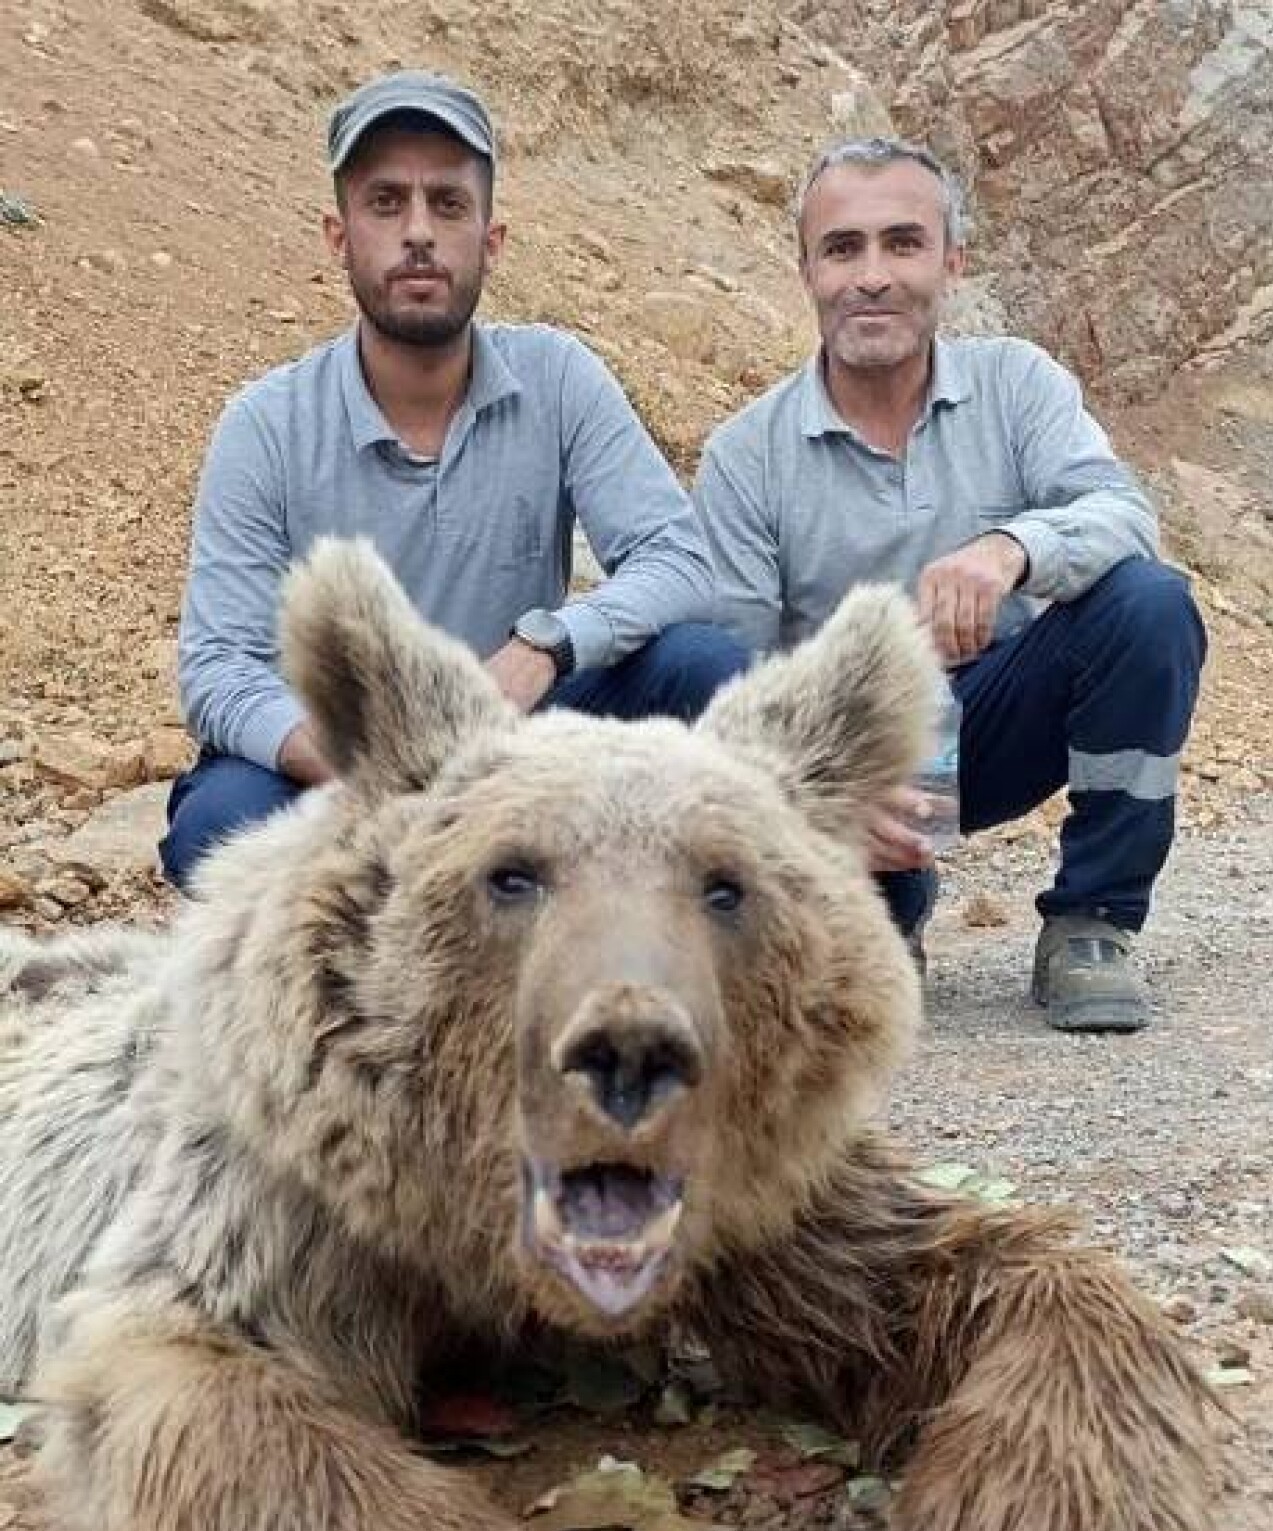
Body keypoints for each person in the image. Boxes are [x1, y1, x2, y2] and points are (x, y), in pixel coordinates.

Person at [162, 70, 747, 887]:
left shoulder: (560, 377)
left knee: (700, 665)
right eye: (385, 202)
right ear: (339, 236)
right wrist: (344, 756)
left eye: (447, 204)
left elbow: (679, 563)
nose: (418, 233)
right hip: (344, 766)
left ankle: (674, 950)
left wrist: (548, 643)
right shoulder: (267, 424)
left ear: (490, 239)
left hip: (522, 742)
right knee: (220, 826)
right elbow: (220, 663)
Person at [693, 136, 1206, 1033]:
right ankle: (890, 907)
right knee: (846, 973)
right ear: (807, 269)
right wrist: (817, 793)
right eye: (843, 248)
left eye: (903, 243)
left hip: (1005, 719)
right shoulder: (746, 455)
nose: (873, 276)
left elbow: (1122, 511)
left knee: (1149, 604)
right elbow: (728, 671)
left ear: (951, 260)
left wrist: (1011, 548)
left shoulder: (1020, 384)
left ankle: (1094, 920)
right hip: (849, 763)